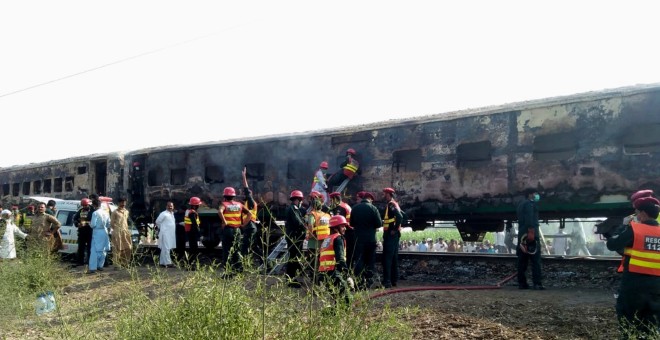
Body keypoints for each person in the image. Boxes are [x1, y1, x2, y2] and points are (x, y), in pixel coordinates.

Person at [606, 196, 660, 337]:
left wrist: (623, 227)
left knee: (628, 320)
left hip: (634, 285)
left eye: (636, 213)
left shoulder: (636, 230)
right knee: (652, 323)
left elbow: (612, 245)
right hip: (657, 287)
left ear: (642, 214)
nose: (636, 216)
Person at [350, 191, 382, 289]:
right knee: (370, 261)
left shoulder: (355, 208)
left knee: (359, 261)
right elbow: (379, 224)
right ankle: (369, 283)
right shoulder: (373, 208)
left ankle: (359, 284)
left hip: (358, 239)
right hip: (371, 240)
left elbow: (351, 223)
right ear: (370, 199)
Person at [218, 187, 252, 276]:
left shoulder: (224, 204)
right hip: (237, 230)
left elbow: (220, 212)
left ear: (224, 196)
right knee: (236, 250)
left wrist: (225, 222)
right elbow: (249, 214)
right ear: (234, 196)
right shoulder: (239, 205)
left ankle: (227, 273)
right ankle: (239, 270)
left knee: (226, 251)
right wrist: (243, 225)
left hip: (228, 230)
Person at [319, 215, 352, 305]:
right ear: (336, 227)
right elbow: (340, 258)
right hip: (334, 272)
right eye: (342, 226)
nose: (345, 228)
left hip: (324, 272)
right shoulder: (338, 238)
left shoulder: (327, 239)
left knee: (336, 299)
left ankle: (332, 315)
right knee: (347, 299)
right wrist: (347, 275)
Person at [516, 188, 544, 290]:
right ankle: (537, 284)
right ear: (530, 195)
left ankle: (522, 284)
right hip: (530, 235)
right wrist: (531, 233)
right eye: (535, 193)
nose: (537, 195)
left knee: (522, 260)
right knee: (535, 260)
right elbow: (530, 219)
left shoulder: (520, 204)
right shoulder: (530, 204)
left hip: (522, 235)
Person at [304, 190, 331, 282]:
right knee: (321, 261)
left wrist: (310, 235)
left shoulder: (313, 214)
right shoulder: (327, 215)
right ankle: (321, 278)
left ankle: (314, 278)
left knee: (313, 262)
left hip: (313, 242)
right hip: (324, 242)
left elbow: (310, 226)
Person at [381, 187, 403, 288]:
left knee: (387, 258)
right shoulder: (393, 204)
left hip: (390, 234)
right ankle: (393, 280)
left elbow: (399, 217)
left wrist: (394, 229)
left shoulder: (391, 205)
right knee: (393, 258)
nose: (383, 195)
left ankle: (387, 281)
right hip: (392, 234)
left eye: (385, 194)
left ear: (389, 194)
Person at [284, 190, 307, 287]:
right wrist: (305, 226)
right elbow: (298, 222)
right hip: (294, 237)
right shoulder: (293, 208)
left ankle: (292, 278)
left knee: (294, 257)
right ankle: (291, 280)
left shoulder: (295, 209)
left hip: (294, 236)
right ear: (298, 199)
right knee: (293, 258)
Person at [328, 191, 354, 269]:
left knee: (343, 253)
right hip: (346, 232)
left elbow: (339, 222)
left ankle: (345, 270)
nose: (330, 202)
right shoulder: (345, 206)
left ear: (335, 199)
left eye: (331, 200)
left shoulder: (341, 208)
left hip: (345, 233)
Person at [241, 166, 260, 263]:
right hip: (251, 227)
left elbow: (247, 190)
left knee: (244, 248)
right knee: (254, 247)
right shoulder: (249, 203)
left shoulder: (251, 201)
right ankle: (266, 263)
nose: (243, 195)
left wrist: (244, 177)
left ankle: (240, 268)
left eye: (245, 194)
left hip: (250, 226)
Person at [88, 199, 110, 274]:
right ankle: (100, 266)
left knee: (94, 250)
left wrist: (88, 224)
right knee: (103, 249)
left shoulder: (95, 213)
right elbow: (108, 224)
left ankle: (93, 268)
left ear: (94, 205)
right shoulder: (106, 213)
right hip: (104, 231)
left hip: (97, 232)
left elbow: (93, 224)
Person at [110, 197, 132, 268]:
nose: (123, 204)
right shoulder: (115, 212)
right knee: (117, 248)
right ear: (119, 203)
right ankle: (116, 265)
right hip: (117, 232)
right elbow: (112, 224)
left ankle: (125, 263)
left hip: (125, 232)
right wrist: (117, 230)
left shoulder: (126, 211)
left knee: (128, 247)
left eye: (124, 202)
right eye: (122, 202)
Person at [73, 198, 95, 266]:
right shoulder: (80, 211)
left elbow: (94, 222)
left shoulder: (93, 212)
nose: (84, 207)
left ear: (89, 204)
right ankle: (80, 262)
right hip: (82, 232)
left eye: (86, 205)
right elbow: (75, 219)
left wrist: (86, 223)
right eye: (83, 206)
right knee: (81, 247)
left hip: (90, 232)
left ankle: (90, 262)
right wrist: (77, 224)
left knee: (90, 248)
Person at [155, 201, 176, 268]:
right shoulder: (163, 214)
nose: (170, 207)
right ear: (166, 206)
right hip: (165, 233)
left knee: (165, 248)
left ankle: (162, 263)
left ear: (173, 207)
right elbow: (157, 222)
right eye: (169, 206)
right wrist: (162, 228)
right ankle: (168, 263)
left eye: (171, 206)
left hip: (170, 233)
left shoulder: (172, 213)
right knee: (167, 248)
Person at [182, 196, 203, 265]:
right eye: (198, 205)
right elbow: (194, 224)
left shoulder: (188, 211)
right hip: (192, 232)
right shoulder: (192, 213)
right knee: (194, 249)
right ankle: (191, 264)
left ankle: (190, 263)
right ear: (195, 206)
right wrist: (199, 235)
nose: (199, 206)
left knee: (192, 248)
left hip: (189, 231)